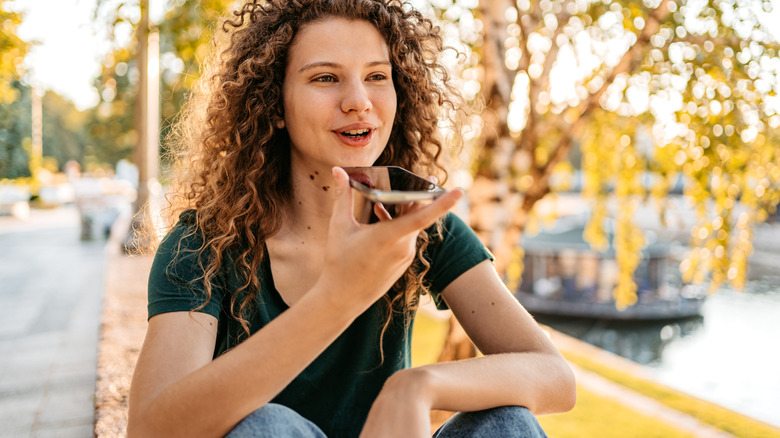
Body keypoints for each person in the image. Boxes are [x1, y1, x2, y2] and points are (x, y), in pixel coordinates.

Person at [127, 0, 576, 436]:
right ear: (274, 104)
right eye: (326, 78)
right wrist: (338, 298)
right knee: (268, 426)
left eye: (377, 76)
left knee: (504, 423)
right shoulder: (204, 246)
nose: (359, 101)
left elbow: (556, 378)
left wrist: (417, 386)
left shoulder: (417, 225)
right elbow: (150, 430)